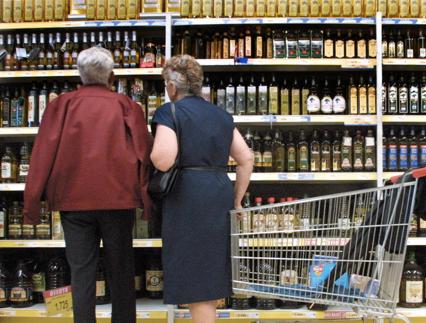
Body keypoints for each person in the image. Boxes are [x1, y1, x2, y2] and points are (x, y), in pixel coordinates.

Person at [23, 47, 153, 323]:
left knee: (81, 272)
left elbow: (42, 154)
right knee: (121, 270)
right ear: (112, 76)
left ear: (79, 75)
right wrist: (147, 200)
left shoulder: (61, 105)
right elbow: (145, 152)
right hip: (118, 200)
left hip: (73, 201)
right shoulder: (127, 106)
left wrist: (32, 203)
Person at [150, 55, 253, 323]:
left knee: (194, 272)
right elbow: (246, 159)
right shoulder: (221, 115)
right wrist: (238, 200)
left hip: (188, 196)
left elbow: (163, 158)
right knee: (207, 274)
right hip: (217, 192)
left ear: (172, 87)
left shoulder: (168, 112)